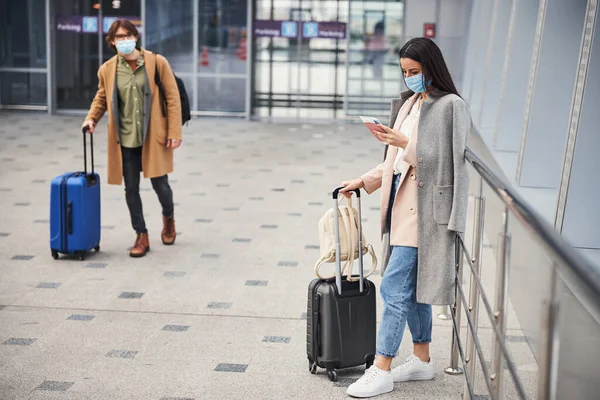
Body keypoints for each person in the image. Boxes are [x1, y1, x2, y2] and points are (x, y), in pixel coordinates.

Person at [339, 37, 471, 398]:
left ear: (432, 68)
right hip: (400, 209)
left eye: (415, 71)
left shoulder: (451, 106)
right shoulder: (410, 103)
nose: (409, 78)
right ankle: (423, 359)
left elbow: (451, 163)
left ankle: (381, 368)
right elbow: (393, 163)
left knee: (394, 287)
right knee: (413, 292)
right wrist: (364, 181)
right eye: (404, 72)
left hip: (426, 215)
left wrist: (404, 144)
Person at [82, 19, 182, 258]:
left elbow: (172, 98)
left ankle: (168, 218)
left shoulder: (156, 62)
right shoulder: (108, 69)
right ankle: (141, 234)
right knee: (131, 189)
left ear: (135, 37)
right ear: (112, 41)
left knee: (161, 186)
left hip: (152, 137)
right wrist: (91, 118)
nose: (124, 40)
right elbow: (102, 97)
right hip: (125, 138)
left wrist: (174, 132)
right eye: (119, 37)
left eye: (128, 35)